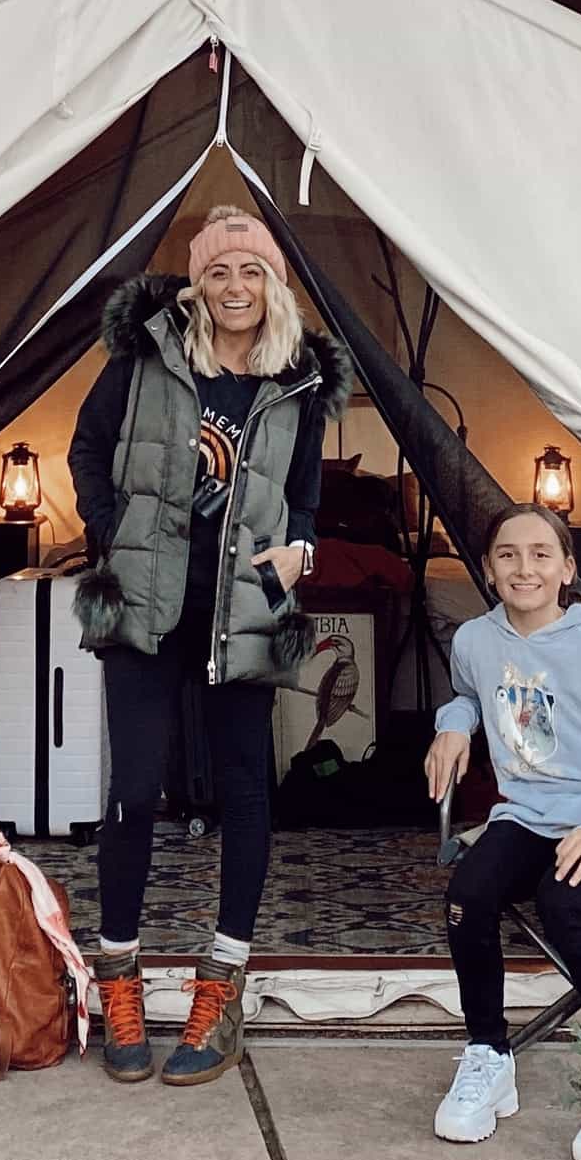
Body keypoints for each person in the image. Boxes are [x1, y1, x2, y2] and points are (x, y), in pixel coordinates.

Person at [68, 205, 351, 1086]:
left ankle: (220, 983)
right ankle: (117, 977)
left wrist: (297, 552)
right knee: (135, 787)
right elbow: (86, 448)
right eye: (220, 273)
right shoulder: (148, 354)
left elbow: (304, 499)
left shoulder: (298, 381)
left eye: (251, 272)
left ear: (274, 286)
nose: (235, 288)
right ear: (198, 284)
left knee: (241, 789)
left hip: (247, 608)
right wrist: (113, 532)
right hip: (148, 602)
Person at [423, 504, 581, 1160]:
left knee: (568, 909)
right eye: (508, 554)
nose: (523, 567)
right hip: (526, 810)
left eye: (540, 553)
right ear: (488, 567)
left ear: (567, 568)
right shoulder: (475, 640)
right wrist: (455, 721)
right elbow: (470, 691)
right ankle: (489, 1054)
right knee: (466, 896)